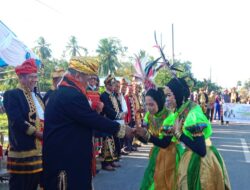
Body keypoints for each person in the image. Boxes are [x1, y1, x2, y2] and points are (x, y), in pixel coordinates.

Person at [43, 57, 133, 190]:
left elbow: (85, 123)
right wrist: (122, 129)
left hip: (65, 155)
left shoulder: (63, 92)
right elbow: (92, 119)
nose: (90, 82)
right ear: (78, 76)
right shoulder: (71, 95)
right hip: (67, 160)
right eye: (88, 78)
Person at [163, 78, 231, 190]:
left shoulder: (192, 114)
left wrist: (179, 134)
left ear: (179, 94)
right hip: (189, 156)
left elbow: (201, 150)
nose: (166, 99)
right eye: (166, 96)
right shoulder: (180, 111)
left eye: (169, 95)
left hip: (202, 163)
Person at [3, 58, 44, 190]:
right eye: (31, 77)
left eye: (36, 76)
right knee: (20, 185)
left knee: (34, 183)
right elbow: (16, 121)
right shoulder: (12, 95)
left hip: (40, 149)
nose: (35, 80)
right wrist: (37, 133)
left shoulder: (37, 96)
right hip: (23, 149)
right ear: (21, 77)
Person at [135, 88, 183, 190]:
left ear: (160, 102)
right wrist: (137, 134)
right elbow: (146, 139)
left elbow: (165, 143)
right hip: (157, 152)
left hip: (171, 153)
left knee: (167, 183)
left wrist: (146, 135)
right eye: (147, 104)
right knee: (151, 180)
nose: (149, 108)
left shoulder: (170, 117)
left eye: (151, 104)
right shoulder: (148, 115)